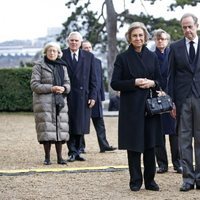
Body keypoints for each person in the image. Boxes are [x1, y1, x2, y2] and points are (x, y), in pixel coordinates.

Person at [111, 22, 163, 192]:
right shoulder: (122, 58)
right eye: (135, 36)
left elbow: (161, 81)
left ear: (145, 37)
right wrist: (133, 82)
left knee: (150, 144)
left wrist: (152, 83)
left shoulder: (153, 56)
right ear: (129, 38)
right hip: (131, 108)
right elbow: (115, 83)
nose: (138, 38)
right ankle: (135, 181)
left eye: (141, 35)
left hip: (150, 107)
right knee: (134, 145)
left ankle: (150, 181)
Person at [168, 13, 200, 191]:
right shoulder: (175, 47)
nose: (187, 30)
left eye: (190, 26)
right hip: (183, 100)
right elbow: (170, 76)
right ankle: (188, 179)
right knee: (185, 140)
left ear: (197, 25)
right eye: (184, 27)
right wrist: (171, 101)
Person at [30, 42, 71, 165]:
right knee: (46, 131)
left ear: (58, 53)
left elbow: (68, 83)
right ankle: (47, 157)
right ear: (45, 52)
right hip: (44, 105)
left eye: (54, 51)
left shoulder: (63, 66)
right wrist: (51, 88)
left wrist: (64, 88)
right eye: (50, 51)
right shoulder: (38, 66)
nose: (52, 53)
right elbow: (34, 85)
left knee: (59, 130)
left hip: (60, 103)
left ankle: (60, 157)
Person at [62, 32, 97, 162]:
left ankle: (78, 150)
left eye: (76, 41)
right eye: (71, 40)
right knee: (70, 124)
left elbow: (94, 79)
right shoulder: (62, 55)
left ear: (80, 42)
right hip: (68, 95)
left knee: (80, 125)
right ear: (68, 41)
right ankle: (72, 151)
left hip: (84, 96)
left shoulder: (89, 56)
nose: (74, 43)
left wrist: (93, 96)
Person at [152, 29, 182, 174]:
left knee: (174, 132)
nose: (160, 41)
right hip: (157, 96)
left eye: (163, 39)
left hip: (172, 96)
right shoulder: (151, 56)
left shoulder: (174, 54)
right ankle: (162, 164)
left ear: (167, 40)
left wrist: (170, 93)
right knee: (159, 132)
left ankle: (177, 163)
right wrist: (159, 89)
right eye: (158, 39)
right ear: (155, 40)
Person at [80, 40, 116, 153]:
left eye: (89, 47)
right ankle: (80, 147)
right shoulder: (79, 62)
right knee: (81, 123)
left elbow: (99, 80)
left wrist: (100, 97)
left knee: (100, 123)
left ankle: (104, 145)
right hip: (83, 98)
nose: (88, 49)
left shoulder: (97, 62)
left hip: (96, 97)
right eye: (85, 48)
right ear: (81, 49)